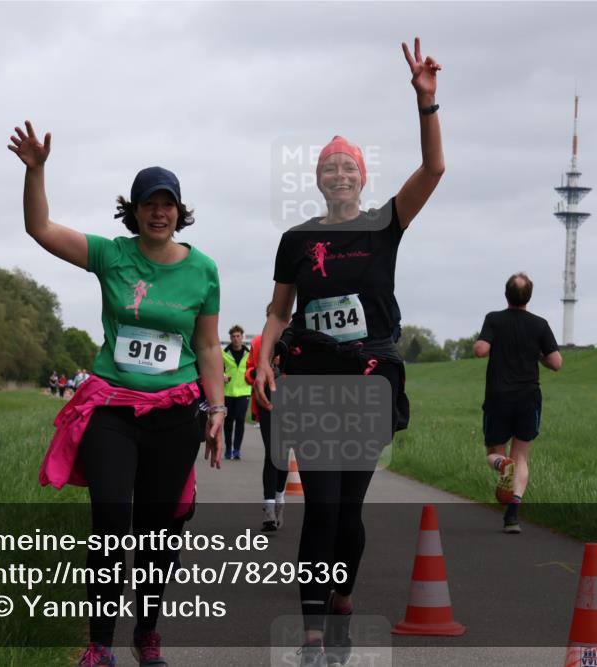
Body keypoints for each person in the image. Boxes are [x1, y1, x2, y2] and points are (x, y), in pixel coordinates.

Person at [254, 38, 444, 667]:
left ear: (363, 176)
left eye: (349, 166)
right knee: (321, 507)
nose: (339, 174)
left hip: (368, 378)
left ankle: (340, 594)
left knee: (350, 514)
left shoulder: (386, 224)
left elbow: (434, 171)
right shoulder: (295, 239)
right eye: (329, 167)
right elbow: (280, 310)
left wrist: (426, 105)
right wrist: (261, 363)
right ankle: (313, 629)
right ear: (317, 179)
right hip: (309, 378)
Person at [9, 120, 225, 667]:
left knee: (158, 533)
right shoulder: (112, 255)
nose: (159, 212)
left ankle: (146, 634)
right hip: (112, 408)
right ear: (133, 210)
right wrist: (36, 172)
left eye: (168, 203)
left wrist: (218, 408)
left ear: (180, 211)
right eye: (148, 203)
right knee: (109, 524)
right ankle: (99, 644)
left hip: (175, 412)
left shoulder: (203, 270)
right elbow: (41, 228)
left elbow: (205, 347)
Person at [473, 272, 563, 534]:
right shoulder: (540, 324)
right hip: (528, 398)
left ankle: (502, 465)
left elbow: (480, 350)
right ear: (529, 297)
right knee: (521, 455)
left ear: (506, 294)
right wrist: (537, 355)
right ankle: (512, 514)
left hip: (499, 397)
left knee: (494, 453)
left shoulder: (494, 319)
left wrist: (482, 344)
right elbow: (556, 363)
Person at [245, 304, 289, 531]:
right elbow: (248, 371)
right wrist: (257, 373)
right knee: (273, 453)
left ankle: (280, 497)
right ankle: (269, 508)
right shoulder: (257, 343)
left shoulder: (296, 342)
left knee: (283, 455)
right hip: (267, 401)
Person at [222, 325, 251, 460]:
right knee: (228, 422)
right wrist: (222, 375)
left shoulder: (249, 354)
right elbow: (217, 369)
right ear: (230, 338)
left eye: (238, 336)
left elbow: (253, 369)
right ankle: (228, 448)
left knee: (240, 420)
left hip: (244, 392)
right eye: (233, 336)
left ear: (242, 337)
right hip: (228, 392)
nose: (236, 339)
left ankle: (237, 449)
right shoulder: (224, 353)